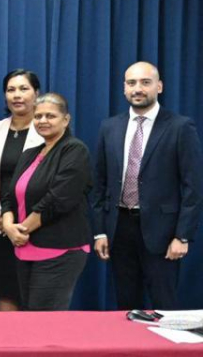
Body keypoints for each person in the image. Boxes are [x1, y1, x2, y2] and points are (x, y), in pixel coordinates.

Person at [91, 62, 201, 310]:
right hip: (119, 228)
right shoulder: (109, 127)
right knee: (126, 306)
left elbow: (193, 188)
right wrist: (100, 232)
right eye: (131, 83)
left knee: (164, 304)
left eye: (145, 82)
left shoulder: (180, 126)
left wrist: (182, 236)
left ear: (159, 86)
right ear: (124, 88)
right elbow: (99, 183)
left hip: (163, 233)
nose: (138, 88)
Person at [0, 93, 93, 311]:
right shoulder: (29, 154)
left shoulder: (75, 150)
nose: (42, 121)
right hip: (24, 246)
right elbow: (8, 195)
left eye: (50, 116)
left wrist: (21, 230)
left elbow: (58, 199)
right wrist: (8, 225)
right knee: (29, 315)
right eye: (38, 116)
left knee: (44, 320)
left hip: (59, 249)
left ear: (66, 120)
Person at [0, 69, 44, 311]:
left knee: (36, 295)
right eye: (11, 90)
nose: (17, 95)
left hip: (36, 226)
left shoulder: (47, 129)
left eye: (24, 89)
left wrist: (25, 221)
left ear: (36, 93)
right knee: (5, 290)